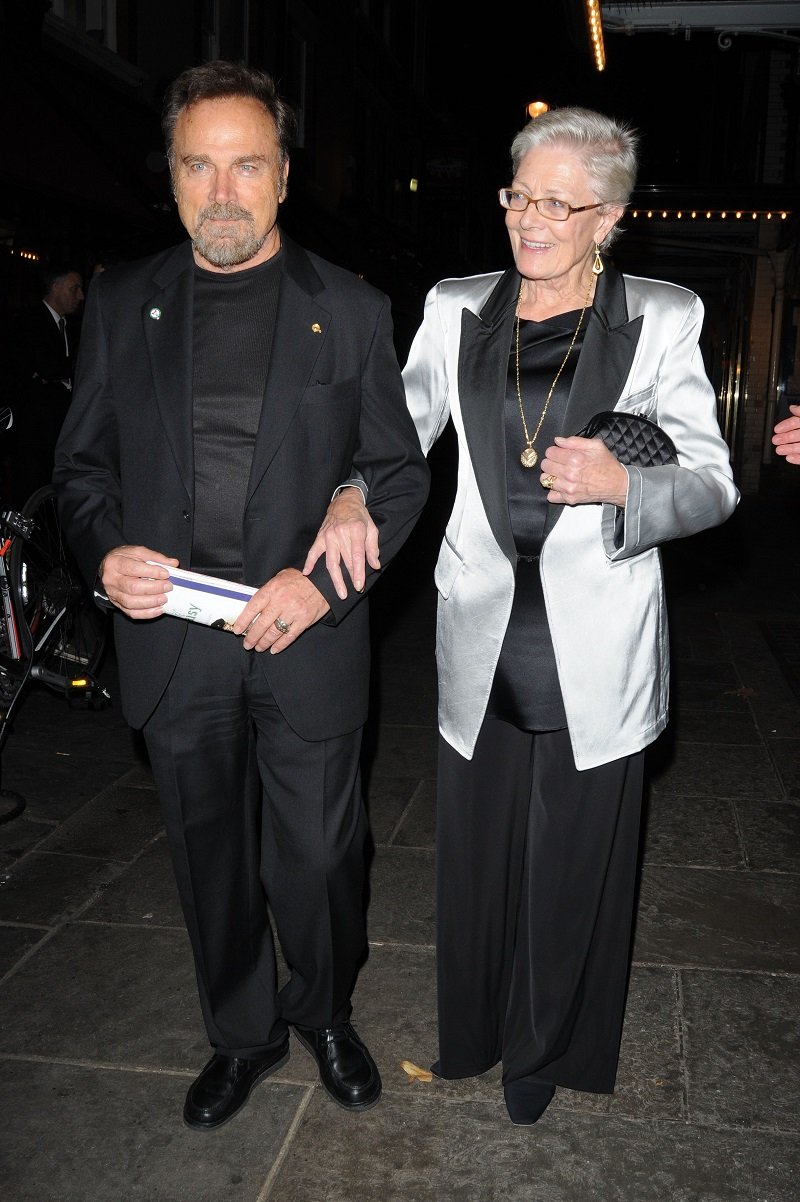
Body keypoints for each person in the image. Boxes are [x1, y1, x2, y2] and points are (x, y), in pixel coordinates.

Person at [310, 106, 739, 1125]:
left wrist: (619, 484)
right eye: (517, 194)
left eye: (558, 200)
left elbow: (713, 482)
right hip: (479, 627)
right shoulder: (457, 305)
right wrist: (345, 489)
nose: (530, 217)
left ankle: (546, 1049)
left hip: (596, 637)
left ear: (609, 217)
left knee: (575, 861)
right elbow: (393, 431)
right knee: (478, 854)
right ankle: (478, 1029)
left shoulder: (662, 315)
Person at [53, 60, 429, 1131]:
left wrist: (319, 586)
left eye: (245, 165)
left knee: (316, 856)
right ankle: (243, 1030)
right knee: (207, 853)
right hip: (174, 637)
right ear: (171, 175)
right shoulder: (124, 299)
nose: (222, 190)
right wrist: (103, 551)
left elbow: (396, 471)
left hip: (302, 630)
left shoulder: (348, 308)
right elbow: (82, 469)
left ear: (282, 176)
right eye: (198, 165)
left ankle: (321, 1012)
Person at [8, 263, 84, 504]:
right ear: (56, 287)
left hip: (63, 427)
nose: (80, 296)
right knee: (32, 488)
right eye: (75, 289)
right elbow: (47, 367)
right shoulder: (28, 321)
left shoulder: (73, 326)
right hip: (35, 430)